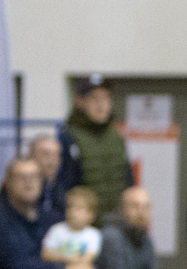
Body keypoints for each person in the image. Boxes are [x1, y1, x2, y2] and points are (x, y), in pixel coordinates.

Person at [57, 74, 133, 225]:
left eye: (105, 98)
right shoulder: (69, 138)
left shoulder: (116, 137)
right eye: (94, 99)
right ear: (80, 102)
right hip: (82, 226)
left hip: (117, 224)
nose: (101, 105)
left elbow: (128, 179)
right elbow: (64, 185)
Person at [28, 133, 67, 217]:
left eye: (56, 155)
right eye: (46, 154)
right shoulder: (22, 185)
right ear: (32, 155)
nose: (51, 161)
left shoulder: (65, 184)